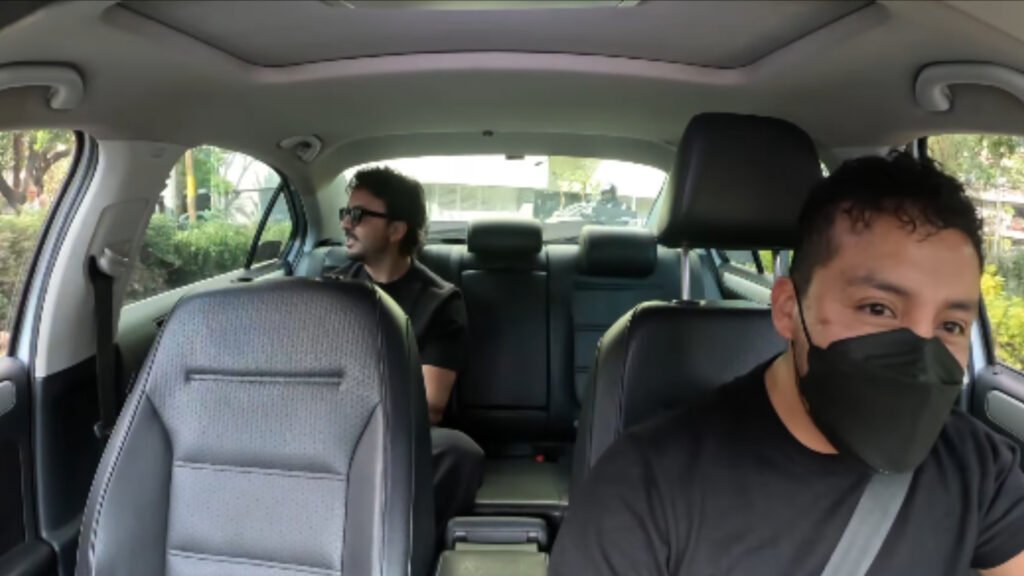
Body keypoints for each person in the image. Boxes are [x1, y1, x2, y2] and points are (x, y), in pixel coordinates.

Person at [550, 152, 1024, 575]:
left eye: (951, 325)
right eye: (878, 308)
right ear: (787, 310)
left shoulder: (978, 468)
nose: (921, 357)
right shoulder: (645, 485)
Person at [333, 166, 484, 539]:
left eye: (358, 215)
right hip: (329, 429)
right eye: (345, 213)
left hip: (396, 433)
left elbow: (430, 406)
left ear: (396, 230)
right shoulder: (332, 290)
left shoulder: (439, 303)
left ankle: (408, 550)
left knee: (458, 452)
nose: (346, 224)